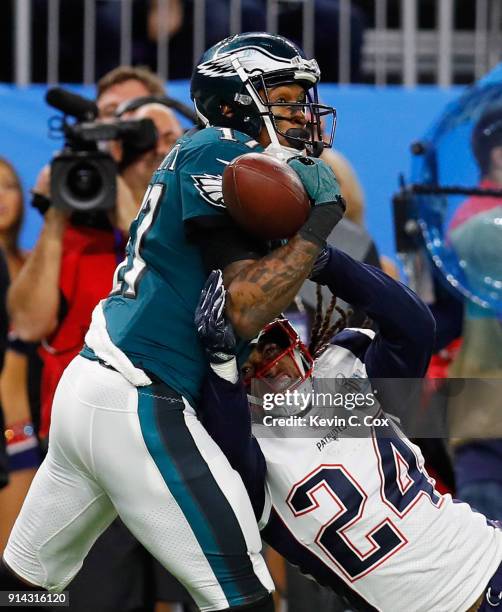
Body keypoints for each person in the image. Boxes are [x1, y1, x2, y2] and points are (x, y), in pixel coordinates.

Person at [1, 32, 346, 611]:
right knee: (247, 598)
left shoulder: (221, 158)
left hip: (99, 387)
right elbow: (242, 304)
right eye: (286, 97)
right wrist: (319, 223)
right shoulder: (219, 152)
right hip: (139, 397)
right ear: (239, 102)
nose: (302, 113)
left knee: (26, 586)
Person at [194, 249, 502, 612]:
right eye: (248, 359)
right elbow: (229, 443)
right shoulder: (244, 447)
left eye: (270, 344)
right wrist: (218, 360)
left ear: (291, 332)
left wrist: (323, 260)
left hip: (489, 559)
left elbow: (414, 324)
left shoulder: (344, 362)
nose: (268, 365)